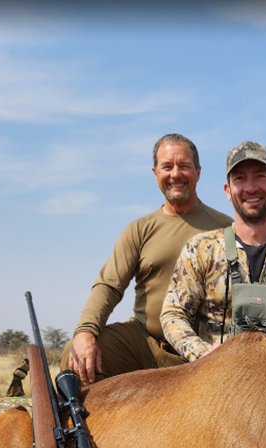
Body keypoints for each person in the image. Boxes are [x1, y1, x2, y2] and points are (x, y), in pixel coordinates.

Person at [59, 134, 233, 384]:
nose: (175, 174)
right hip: (144, 343)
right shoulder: (139, 229)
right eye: (167, 167)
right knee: (75, 356)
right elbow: (109, 286)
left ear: (198, 171)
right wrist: (85, 331)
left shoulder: (225, 229)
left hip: (203, 350)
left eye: (184, 166)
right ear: (155, 173)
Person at [161, 141, 266, 361]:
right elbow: (173, 314)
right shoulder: (201, 249)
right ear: (228, 191)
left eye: (260, 176)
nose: (250, 187)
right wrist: (203, 354)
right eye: (239, 179)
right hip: (215, 377)